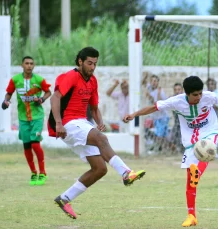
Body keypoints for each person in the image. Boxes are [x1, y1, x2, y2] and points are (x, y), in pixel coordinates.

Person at [123, 76, 218, 227]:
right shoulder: (177, 101)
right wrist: (134, 114)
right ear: (187, 94)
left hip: (210, 131)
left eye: (200, 93)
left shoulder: (208, 97)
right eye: (195, 95)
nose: (199, 97)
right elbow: (154, 107)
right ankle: (191, 216)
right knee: (190, 182)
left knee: (209, 150)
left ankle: (197, 173)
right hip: (190, 141)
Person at [48, 47, 145, 220]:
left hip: (82, 123)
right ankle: (125, 173)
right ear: (80, 61)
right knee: (102, 139)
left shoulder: (92, 81)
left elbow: (93, 108)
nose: (92, 67)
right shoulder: (72, 76)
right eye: (89, 63)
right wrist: (58, 123)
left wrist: (100, 122)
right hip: (68, 124)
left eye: (95, 64)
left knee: (100, 169)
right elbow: (55, 97)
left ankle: (64, 198)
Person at [2, 56, 52, 186]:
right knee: (27, 146)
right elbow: (9, 93)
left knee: (35, 144)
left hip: (37, 117)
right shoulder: (15, 80)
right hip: (23, 118)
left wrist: (41, 99)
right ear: (22, 65)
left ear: (33, 66)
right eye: (27, 63)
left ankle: (42, 173)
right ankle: (33, 173)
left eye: (31, 63)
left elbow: (48, 92)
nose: (29, 65)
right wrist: (5, 101)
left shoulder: (39, 80)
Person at [141, 73, 170, 151]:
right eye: (152, 81)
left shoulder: (160, 91)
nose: (154, 82)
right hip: (156, 117)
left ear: (158, 82)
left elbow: (158, 105)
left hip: (162, 117)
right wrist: (145, 76)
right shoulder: (150, 88)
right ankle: (163, 148)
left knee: (160, 136)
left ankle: (161, 149)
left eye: (155, 81)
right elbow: (142, 82)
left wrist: (151, 97)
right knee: (160, 135)